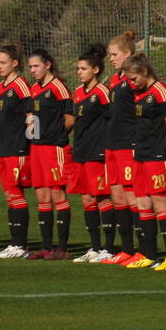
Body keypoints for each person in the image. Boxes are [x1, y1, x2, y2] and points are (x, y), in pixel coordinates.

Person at [122, 53, 166, 270]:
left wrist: (159, 146)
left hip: (157, 157)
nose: (131, 83)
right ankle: (149, 254)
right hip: (140, 157)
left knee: (159, 205)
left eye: (133, 78)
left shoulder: (161, 91)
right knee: (143, 205)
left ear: (144, 72)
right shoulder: (140, 93)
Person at [25, 49, 74, 260]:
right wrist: (32, 134)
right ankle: (46, 247)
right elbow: (30, 117)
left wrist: (56, 135)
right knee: (42, 196)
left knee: (57, 194)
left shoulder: (59, 87)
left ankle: (62, 248)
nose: (33, 70)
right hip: (37, 148)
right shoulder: (34, 89)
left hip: (55, 148)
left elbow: (70, 118)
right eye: (30, 67)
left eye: (36, 66)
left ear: (48, 65)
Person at [99, 31, 141, 265]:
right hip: (112, 146)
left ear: (127, 54)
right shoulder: (114, 80)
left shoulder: (134, 81)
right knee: (118, 198)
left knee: (133, 197)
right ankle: (126, 249)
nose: (111, 59)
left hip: (128, 146)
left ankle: (142, 251)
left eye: (114, 54)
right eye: (109, 55)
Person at [69, 44, 113, 263]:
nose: (79, 72)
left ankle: (108, 248)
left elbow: (111, 121)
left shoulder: (103, 92)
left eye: (83, 68)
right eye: (78, 68)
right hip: (81, 151)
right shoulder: (78, 93)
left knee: (102, 197)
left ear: (95, 70)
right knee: (87, 198)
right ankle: (94, 247)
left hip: (98, 153)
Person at [0, 44, 35, 258]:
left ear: (15, 63)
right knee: (9, 194)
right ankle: (14, 243)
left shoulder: (21, 85)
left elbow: (31, 115)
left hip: (18, 148)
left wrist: (30, 144)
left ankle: (20, 246)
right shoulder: (0, 87)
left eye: (3, 62)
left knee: (15, 193)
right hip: (4, 148)